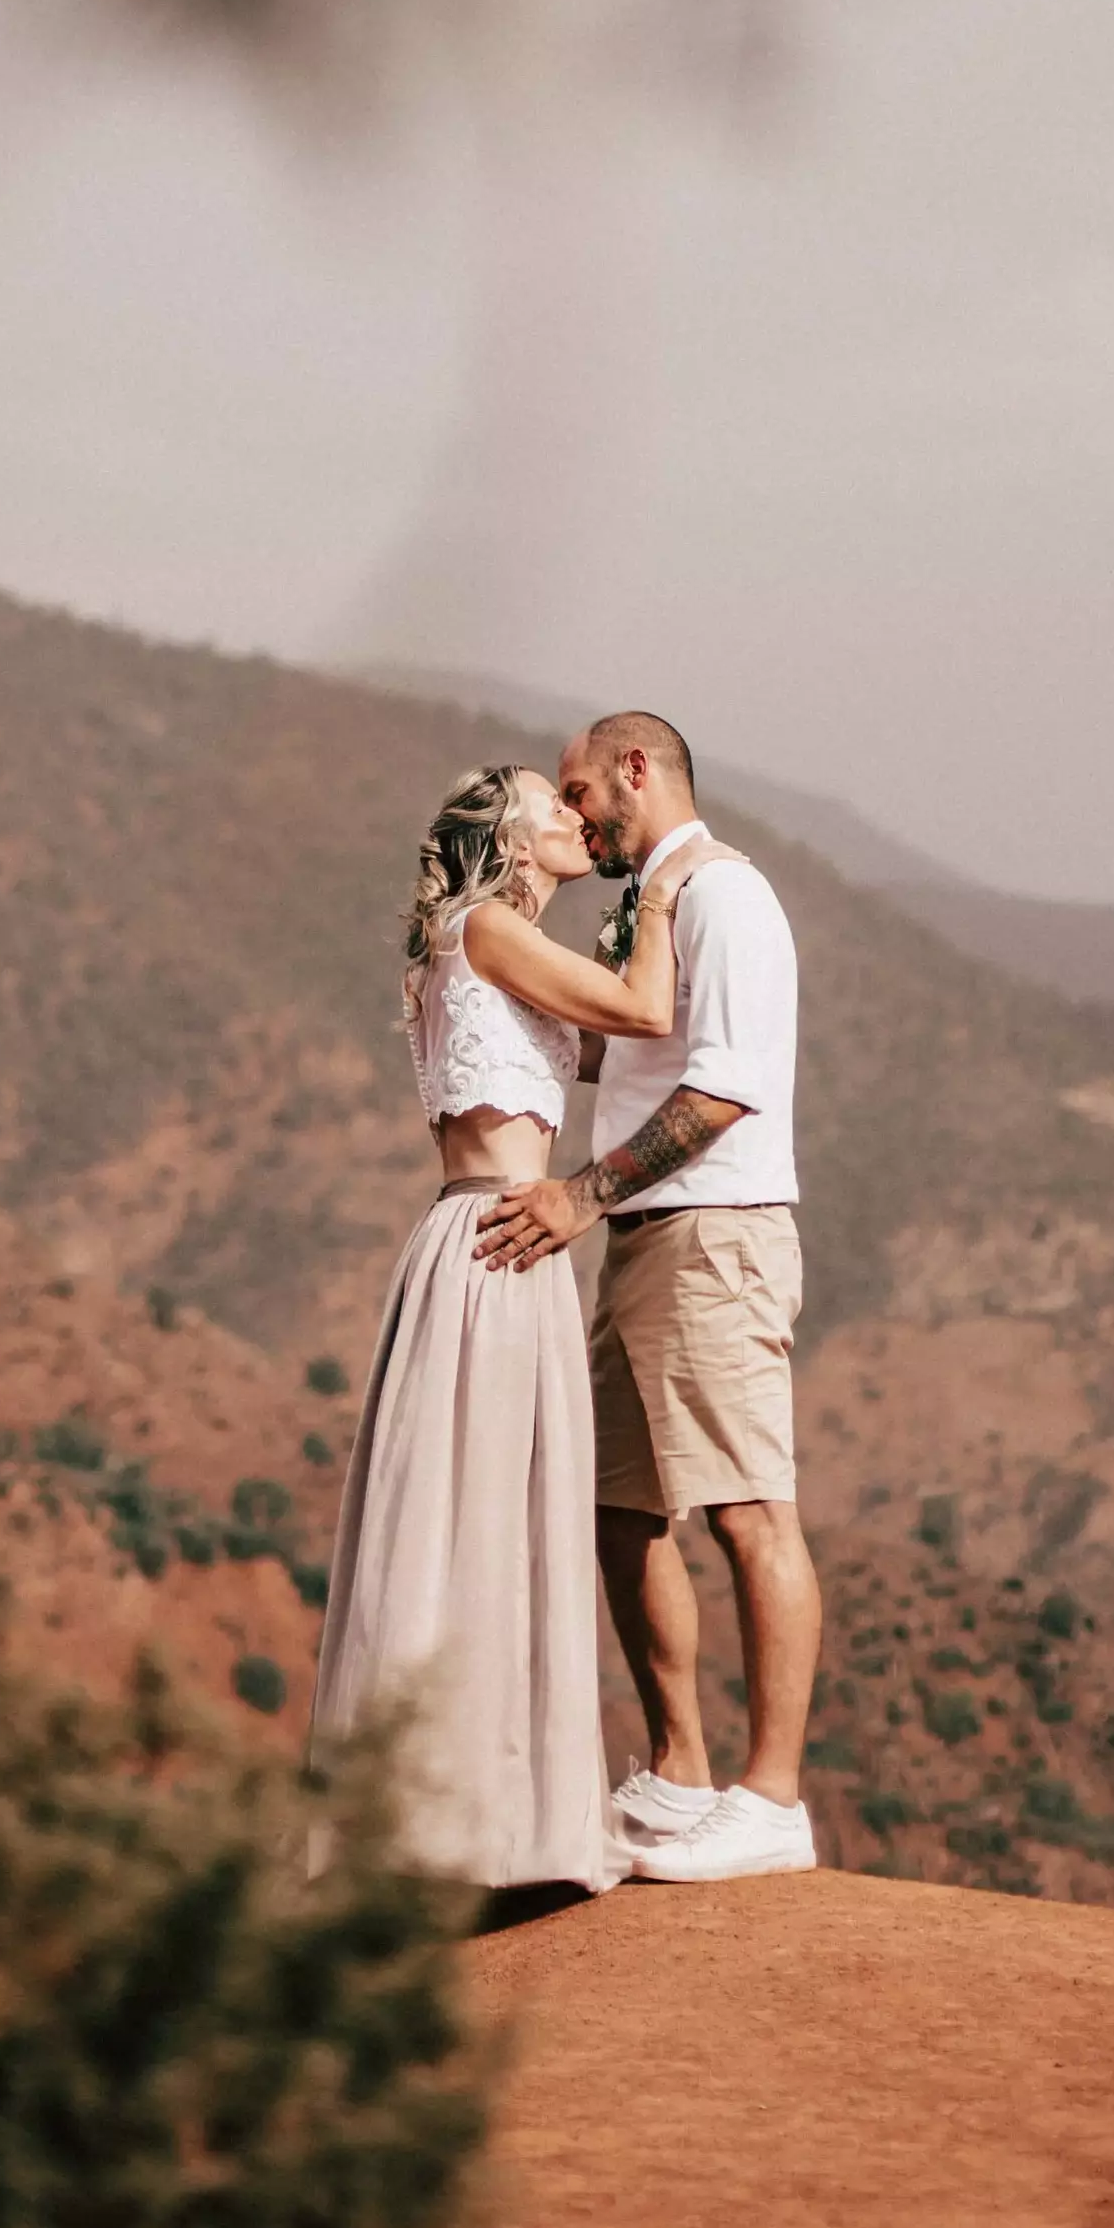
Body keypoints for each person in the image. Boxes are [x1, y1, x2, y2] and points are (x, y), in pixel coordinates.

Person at [308, 763, 728, 1893]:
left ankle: (494, 1822)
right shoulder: (485, 926)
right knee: (473, 1514)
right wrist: (665, 878)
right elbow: (643, 1011)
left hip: (522, 1242)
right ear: (508, 832)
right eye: (553, 803)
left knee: (503, 1519)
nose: (574, 817)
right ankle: (433, 1828)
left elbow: (622, 1045)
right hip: (498, 1239)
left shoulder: (498, 952)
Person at [477, 711, 816, 1885]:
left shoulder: (725, 895)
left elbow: (723, 1089)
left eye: (582, 793)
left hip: (713, 1233)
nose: (576, 818)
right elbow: (633, 1052)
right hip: (643, 1243)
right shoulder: (653, 906)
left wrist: (578, 1192)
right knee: (623, 1511)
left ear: (637, 769)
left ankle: (771, 1795)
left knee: (748, 1507)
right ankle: (678, 1774)